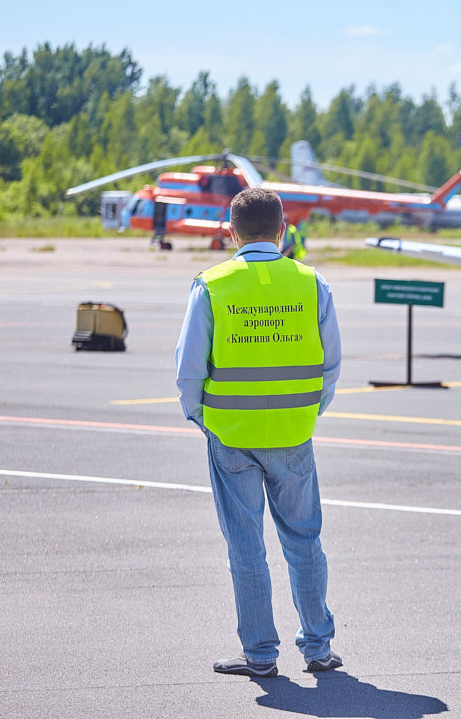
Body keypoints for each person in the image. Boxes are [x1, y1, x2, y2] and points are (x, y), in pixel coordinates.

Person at [175, 188, 342, 678]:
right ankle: (317, 647)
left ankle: (260, 655)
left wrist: (204, 419)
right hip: (293, 433)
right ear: (283, 229)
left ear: (231, 231)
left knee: (246, 547)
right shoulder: (312, 283)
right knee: (304, 541)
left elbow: (188, 371)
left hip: (232, 434)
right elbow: (330, 366)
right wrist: (305, 411)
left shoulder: (213, 284)